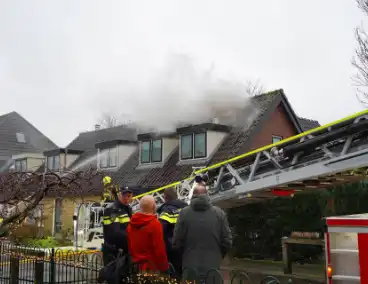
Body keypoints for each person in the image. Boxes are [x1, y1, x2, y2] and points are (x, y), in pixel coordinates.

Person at [172, 184, 232, 280]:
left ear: (192, 195)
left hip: (190, 269)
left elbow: (176, 242)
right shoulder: (219, 214)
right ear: (207, 195)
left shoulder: (184, 213)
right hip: (213, 270)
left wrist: (186, 257)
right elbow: (227, 242)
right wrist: (217, 256)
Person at [127, 195, 169, 273]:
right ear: (154, 207)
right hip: (151, 267)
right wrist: (164, 267)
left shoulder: (131, 224)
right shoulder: (155, 224)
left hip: (135, 266)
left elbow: (130, 245)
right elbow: (159, 249)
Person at [157, 188, 187, 277]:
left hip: (172, 250)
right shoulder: (187, 208)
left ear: (165, 198)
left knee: (175, 275)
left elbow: (160, 231)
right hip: (188, 248)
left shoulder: (167, 211)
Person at [102, 186, 133, 266]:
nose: (126, 198)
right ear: (119, 195)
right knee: (113, 276)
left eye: (129, 196)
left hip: (124, 250)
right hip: (113, 252)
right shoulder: (112, 209)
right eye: (124, 195)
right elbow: (115, 232)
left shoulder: (128, 209)